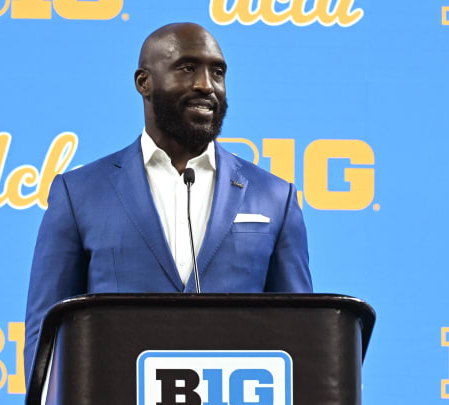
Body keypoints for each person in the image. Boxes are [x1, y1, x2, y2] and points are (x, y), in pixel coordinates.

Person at [24, 22, 312, 383]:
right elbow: (46, 331)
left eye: (218, 72)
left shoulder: (275, 196)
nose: (207, 85)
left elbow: (304, 333)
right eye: (187, 68)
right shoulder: (78, 192)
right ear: (144, 82)